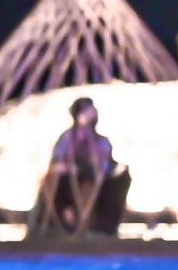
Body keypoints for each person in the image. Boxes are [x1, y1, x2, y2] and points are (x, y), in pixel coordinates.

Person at [31, 97, 130, 236]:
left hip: (95, 178)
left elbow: (106, 163)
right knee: (52, 182)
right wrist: (67, 166)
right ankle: (53, 223)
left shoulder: (101, 140)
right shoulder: (68, 138)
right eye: (87, 111)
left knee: (95, 185)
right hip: (68, 179)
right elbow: (58, 160)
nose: (92, 115)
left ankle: (95, 225)